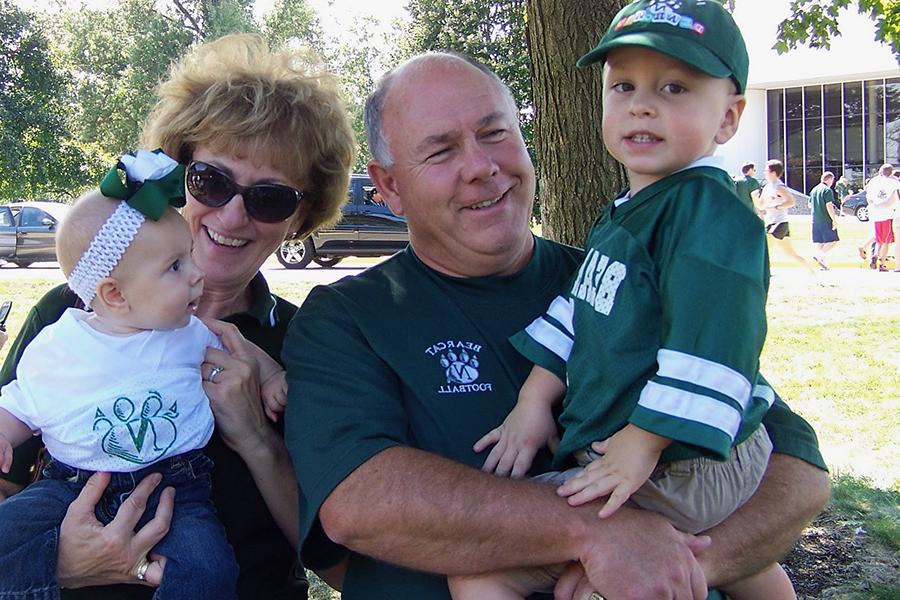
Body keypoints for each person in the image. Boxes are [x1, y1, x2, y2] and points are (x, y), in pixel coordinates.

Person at [284, 50, 830, 600]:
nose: (480, 166)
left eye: (495, 133)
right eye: (441, 150)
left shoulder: (619, 274)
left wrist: (679, 567)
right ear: (390, 186)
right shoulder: (346, 319)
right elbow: (360, 503)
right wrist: (596, 535)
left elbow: (796, 466)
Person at [449, 2, 792, 598]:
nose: (642, 104)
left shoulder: (709, 213)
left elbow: (716, 338)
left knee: (484, 567)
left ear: (728, 119)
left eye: (675, 87)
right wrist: (535, 399)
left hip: (682, 459)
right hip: (657, 455)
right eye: (623, 85)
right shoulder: (634, 210)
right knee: (720, 561)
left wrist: (645, 440)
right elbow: (586, 307)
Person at [0, 33, 355, 599]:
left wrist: (257, 438)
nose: (233, 215)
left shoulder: (308, 345)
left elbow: (338, 566)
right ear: (174, 177)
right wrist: (64, 563)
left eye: (270, 198)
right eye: (212, 181)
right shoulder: (73, 315)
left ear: (301, 216)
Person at [0, 153, 289, 598]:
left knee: (210, 568)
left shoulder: (188, 332)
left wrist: (270, 378)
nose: (197, 275)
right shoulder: (61, 344)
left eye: (188, 257)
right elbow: (23, 402)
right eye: (175, 267)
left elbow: (241, 350)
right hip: (71, 486)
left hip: (178, 488)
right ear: (114, 295)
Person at [758, 159, 815, 274]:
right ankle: (811, 271)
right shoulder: (767, 187)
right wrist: (755, 198)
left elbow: (791, 202)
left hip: (779, 223)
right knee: (790, 254)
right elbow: (761, 206)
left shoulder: (779, 187)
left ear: (773, 173)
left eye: (766, 170)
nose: (764, 172)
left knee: (764, 250)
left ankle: (763, 274)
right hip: (771, 222)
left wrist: (777, 206)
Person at [864, 163, 900, 271]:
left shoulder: (873, 182)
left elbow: (868, 198)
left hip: (875, 214)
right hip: (888, 215)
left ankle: (872, 252)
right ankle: (882, 263)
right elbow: (893, 200)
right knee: (886, 241)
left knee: (878, 237)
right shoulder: (894, 183)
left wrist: (875, 205)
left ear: (880, 171)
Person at [809, 171, 839, 270]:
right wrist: (834, 219)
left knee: (820, 242)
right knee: (833, 240)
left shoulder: (814, 190)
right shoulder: (827, 190)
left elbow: (809, 205)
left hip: (815, 219)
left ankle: (822, 263)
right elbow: (829, 205)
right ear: (829, 179)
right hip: (825, 219)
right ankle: (819, 255)